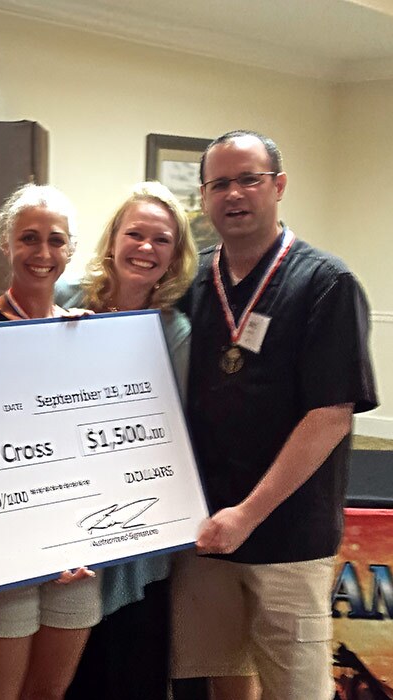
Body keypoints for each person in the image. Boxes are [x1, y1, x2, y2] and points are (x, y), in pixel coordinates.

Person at [170, 130, 377, 700]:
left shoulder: (326, 285)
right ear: (206, 196)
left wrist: (248, 515)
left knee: (295, 686)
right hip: (205, 527)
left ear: (278, 186)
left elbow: (330, 415)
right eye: (220, 184)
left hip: (289, 534)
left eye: (249, 179)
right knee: (223, 674)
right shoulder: (193, 282)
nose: (234, 194)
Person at [0, 183, 102, 700]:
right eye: (29, 238)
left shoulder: (86, 335)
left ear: (71, 250)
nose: (42, 254)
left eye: (56, 241)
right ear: (6, 244)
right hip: (3, 553)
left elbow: (97, 448)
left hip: (78, 555)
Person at [55, 181, 197, 699]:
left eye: (161, 240)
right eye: (135, 233)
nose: (145, 248)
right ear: (112, 239)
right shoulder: (62, 299)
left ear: (175, 255)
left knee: (129, 661)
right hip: (63, 501)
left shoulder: (176, 329)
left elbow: (169, 430)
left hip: (135, 516)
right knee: (66, 667)